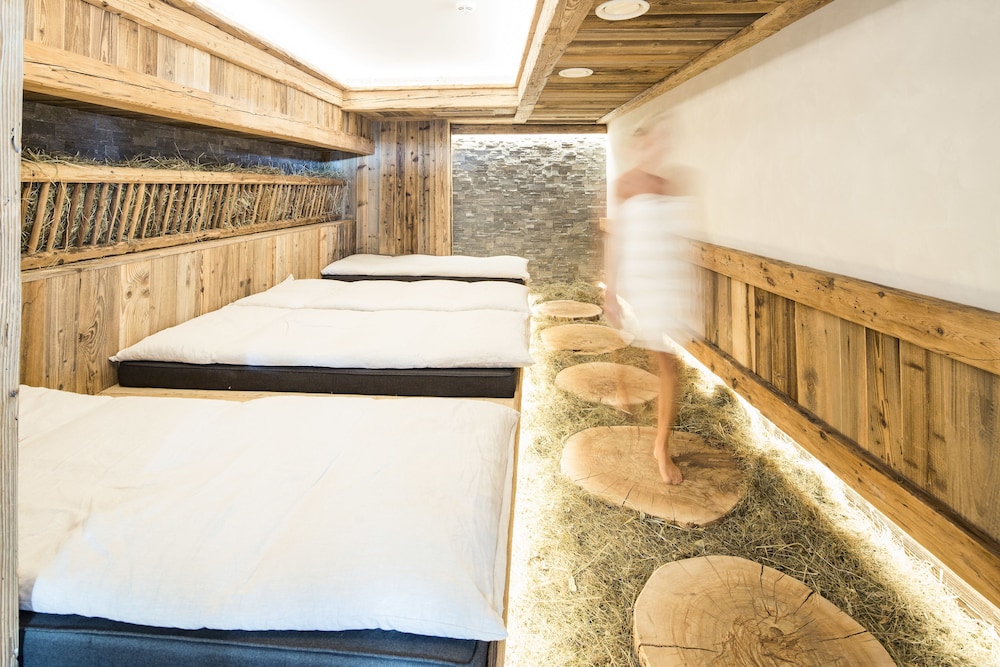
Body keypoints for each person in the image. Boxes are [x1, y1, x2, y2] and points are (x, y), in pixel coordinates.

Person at [603, 112, 696, 485]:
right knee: (627, 338)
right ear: (640, 144)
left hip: (665, 279)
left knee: (667, 364)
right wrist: (610, 292)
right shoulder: (624, 184)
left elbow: (676, 237)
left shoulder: (670, 185)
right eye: (652, 139)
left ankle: (661, 446)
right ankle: (622, 389)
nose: (659, 146)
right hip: (636, 276)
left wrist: (685, 291)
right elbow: (616, 240)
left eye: (664, 139)